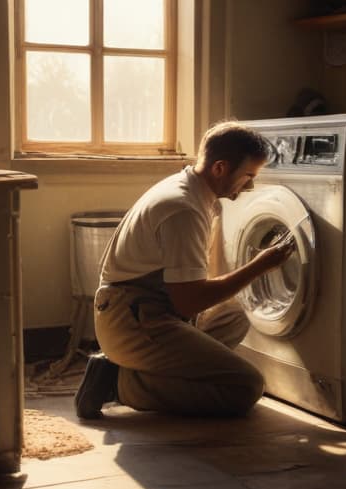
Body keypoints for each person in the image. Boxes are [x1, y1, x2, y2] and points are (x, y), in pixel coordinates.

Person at [74, 121, 295, 419]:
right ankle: (117, 381)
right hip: (131, 321)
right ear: (220, 168)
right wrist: (259, 266)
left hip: (150, 311)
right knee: (245, 386)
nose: (250, 186)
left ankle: (147, 368)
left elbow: (192, 287)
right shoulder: (184, 210)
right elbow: (189, 301)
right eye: (248, 176)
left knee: (237, 310)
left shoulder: (195, 192)